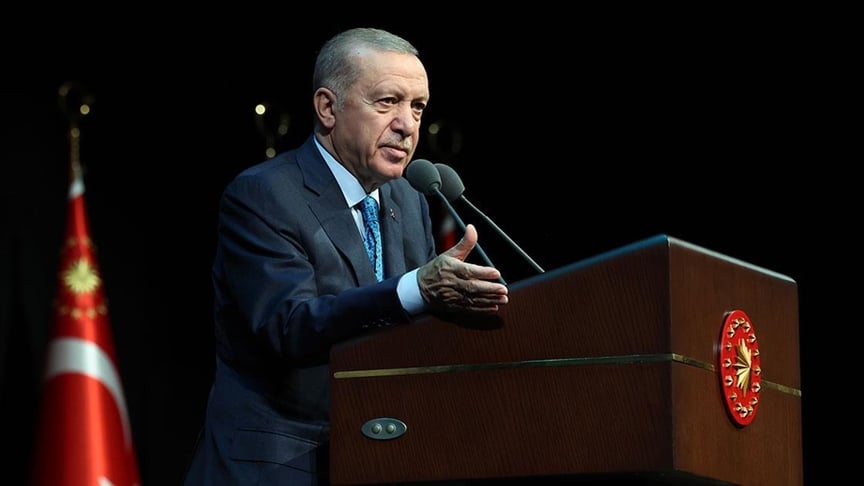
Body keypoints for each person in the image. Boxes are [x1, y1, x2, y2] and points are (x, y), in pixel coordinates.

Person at [183, 27, 509, 485]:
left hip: (380, 454)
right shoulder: (263, 194)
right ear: (327, 108)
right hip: (279, 465)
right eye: (387, 102)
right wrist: (417, 289)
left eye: (417, 107)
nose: (407, 125)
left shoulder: (408, 198)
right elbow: (289, 326)